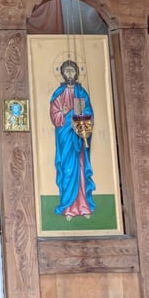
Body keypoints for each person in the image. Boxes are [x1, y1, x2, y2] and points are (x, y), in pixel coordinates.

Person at [49, 60, 96, 219]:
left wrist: (80, 115)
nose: (70, 74)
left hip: (77, 135)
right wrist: (62, 113)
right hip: (65, 136)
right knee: (68, 170)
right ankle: (68, 207)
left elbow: (88, 110)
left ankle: (83, 206)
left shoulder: (81, 92)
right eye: (67, 71)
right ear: (63, 73)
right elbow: (54, 115)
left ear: (76, 73)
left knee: (81, 168)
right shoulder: (58, 93)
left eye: (72, 71)